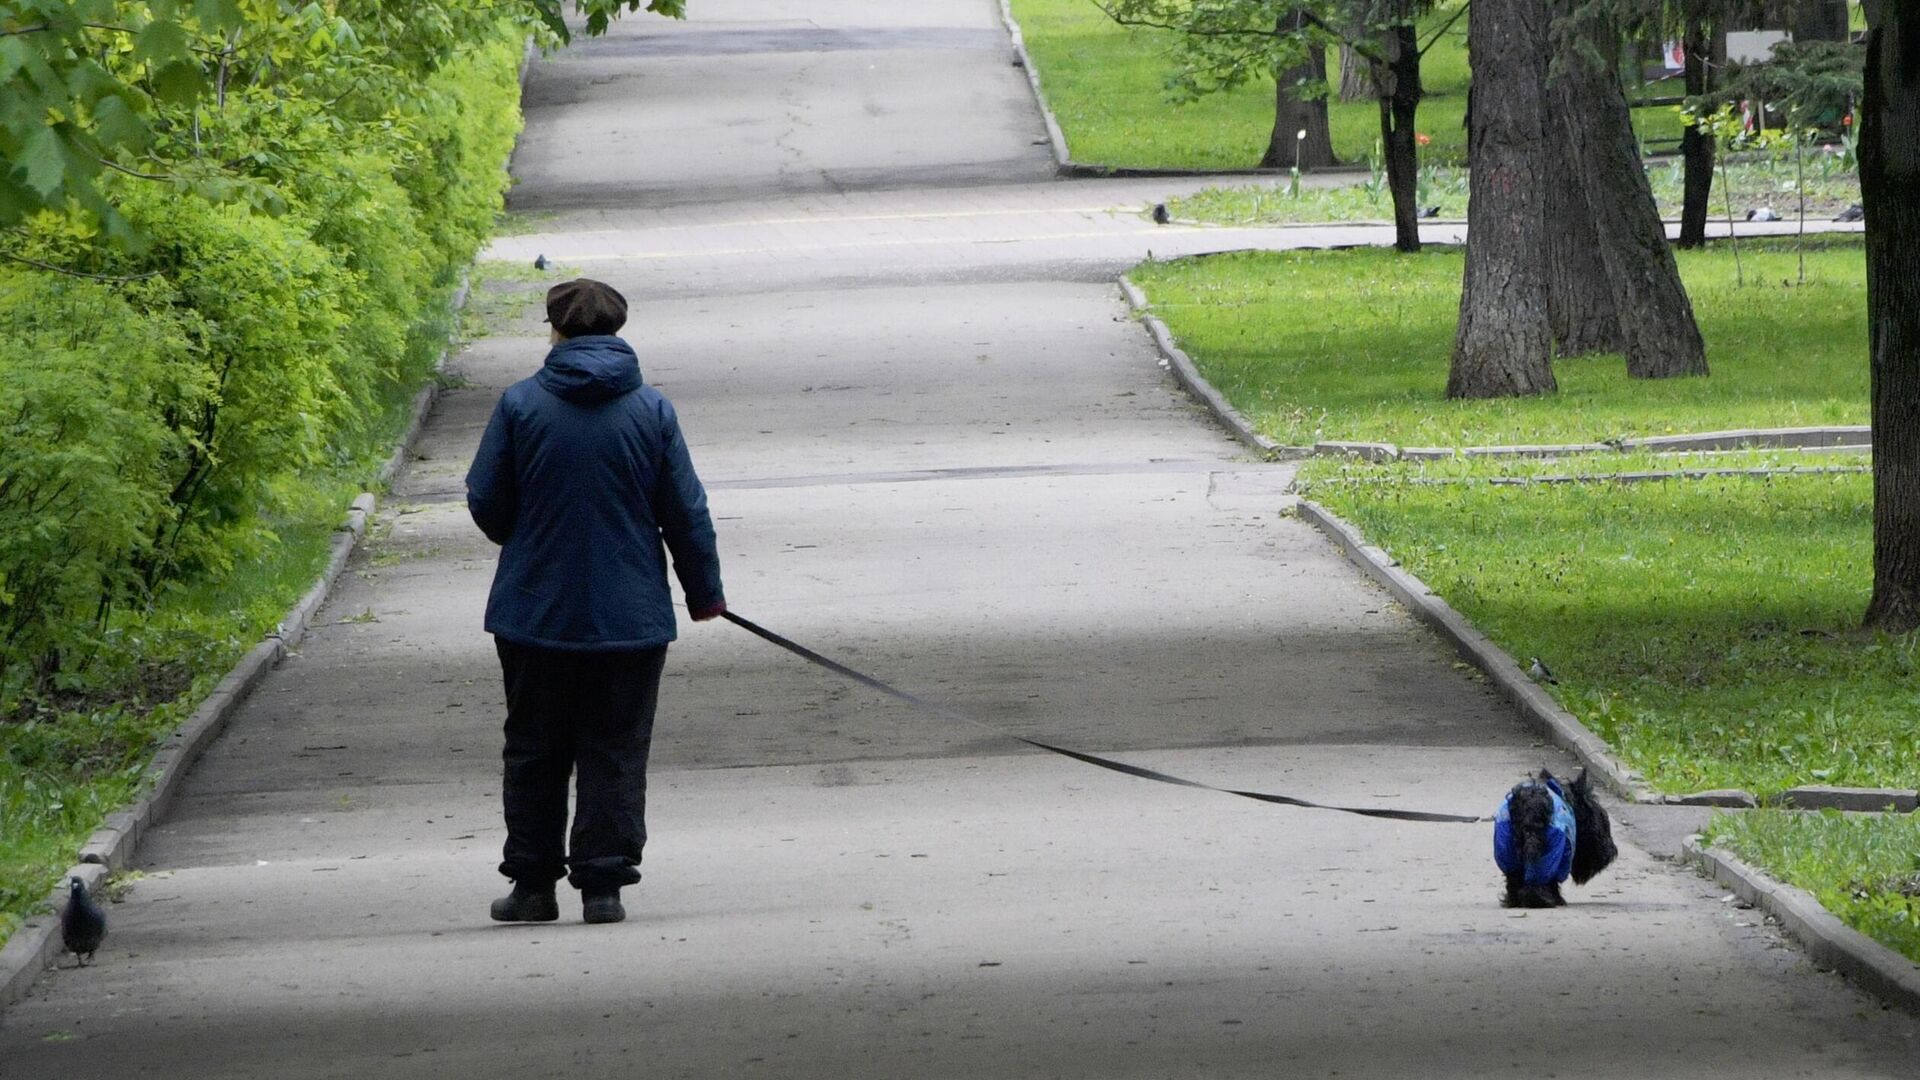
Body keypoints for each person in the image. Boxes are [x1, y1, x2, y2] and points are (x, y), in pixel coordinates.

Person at [466, 278, 725, 925]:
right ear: (617, 332)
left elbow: (486, 499)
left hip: (534, 614)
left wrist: (522, 539)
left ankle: (531, 887)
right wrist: (704, 594)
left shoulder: (520, 405)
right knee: (615, 746)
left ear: (554, 332)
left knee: (534, 748)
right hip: (629, 617)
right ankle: (603, 888)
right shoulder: (651, 411)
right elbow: (685, 511)